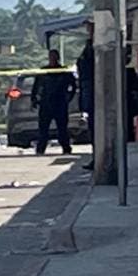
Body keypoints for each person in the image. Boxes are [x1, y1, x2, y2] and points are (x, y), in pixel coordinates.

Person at [31, 49, 77, 156]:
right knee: (43, 129)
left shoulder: (64, 72)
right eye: (51, 57)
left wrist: (69, 97)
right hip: (46, 103)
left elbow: (73, 86)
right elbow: (36, 87)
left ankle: (66, 148)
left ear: (58, 58)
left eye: (54, 57)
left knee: (62, 128)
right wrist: (34, 99)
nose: (52, 59)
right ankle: (40, 149)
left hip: (60, 103)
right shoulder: (43, 72)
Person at [76, 22, 95, 170]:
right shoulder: (90, 47)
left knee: (96, 128)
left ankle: (99, 158)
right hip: (89, 90)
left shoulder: (95, 48)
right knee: (92, 128)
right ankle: (96, 157)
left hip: (94, 92)